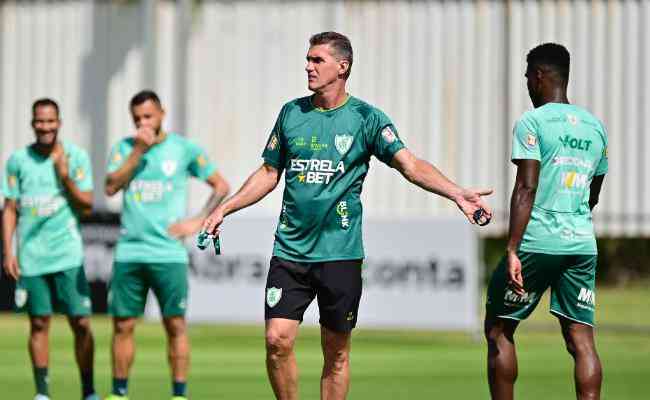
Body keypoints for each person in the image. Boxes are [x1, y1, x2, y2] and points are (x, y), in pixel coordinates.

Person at [201, 31, 492, 400]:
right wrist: (224, 207)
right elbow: (269, 173)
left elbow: (410, 164)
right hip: (290, 251)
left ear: (343, 67)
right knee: (277, 341)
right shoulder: (292, 113)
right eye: (307, 59)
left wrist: (456, 193)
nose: (308, 66)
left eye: (317, 60)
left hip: (340, 254)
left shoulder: (366, 118)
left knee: (336, 353)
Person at [484, 43, 608, 400]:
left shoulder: (532, 122)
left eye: (527, 77)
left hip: (538, 240)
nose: (526, 83)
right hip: (582, 243)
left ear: (539, 76)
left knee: (499, 330)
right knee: (581, 341)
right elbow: (592, 192)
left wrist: (512, 248)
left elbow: (526, 186)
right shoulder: (595, 127)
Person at [104, 90, 230, 400]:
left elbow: (221, 186)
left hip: (168, 254)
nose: (143, 123)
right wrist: (137, 152)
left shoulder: (184, 149)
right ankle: (119, 394)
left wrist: (198, 221)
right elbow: (110, 187)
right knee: (123, 326)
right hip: (130, 251)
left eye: (148, 116)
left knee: (175, 325)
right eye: (137, 119)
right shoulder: (124, 148)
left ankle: (179, 394)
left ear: (162, 113)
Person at [2, 98, 98, 400]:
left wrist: (65, 175)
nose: (45, 127)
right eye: (40, 122)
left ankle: (88, 390)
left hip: (67, 255)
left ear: (59, 122)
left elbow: (86, 205)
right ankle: (42, 393)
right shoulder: (18, 160)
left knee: (81, 323)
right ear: (33, 124)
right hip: (32, 256)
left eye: (50, 121)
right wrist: (8, 251)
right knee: (39, 322)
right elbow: (11, 207)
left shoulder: (76, 156)